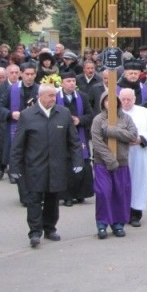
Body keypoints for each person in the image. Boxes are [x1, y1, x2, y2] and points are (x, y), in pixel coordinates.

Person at [9, 84, 83, 248]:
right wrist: (14, 167)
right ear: (40, 96)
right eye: (49, 95)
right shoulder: (27, 115)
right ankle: (35, 232)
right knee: (34, 199)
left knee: (53, 198)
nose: (53, 98)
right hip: (35, 166)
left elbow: (74, 141)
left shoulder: (63, 113)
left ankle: (50, 227)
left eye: (54, 95)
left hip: (57, 165)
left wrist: (78, 161)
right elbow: (18, 145)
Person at [91, 92, 139, 238]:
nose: (110, 104)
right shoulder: (98, 120)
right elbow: (97, 142)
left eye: (113, 101)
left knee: (121, 194)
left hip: (122, 163)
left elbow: (132, 136)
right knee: (104, 193)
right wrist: (110, 160)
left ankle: (118, 224)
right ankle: (102, 224)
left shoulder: (125, 118)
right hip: (103, 164)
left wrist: (113, 131)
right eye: (107, 101)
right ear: (102, 103)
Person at [120, 88, 147, 227]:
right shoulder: (115, 113)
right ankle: (122, 212)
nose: (125, 102)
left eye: (128, 99)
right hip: (122, 152)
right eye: (123, 99)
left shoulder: (144, 112)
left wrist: (140, 139)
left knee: (138, 181)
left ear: (134, 99)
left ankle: (136, 213)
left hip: (139, 152)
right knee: (122, 182)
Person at [57, 72, 95, 206]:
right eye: (68, 81)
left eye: (73, 81)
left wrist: (79, 120)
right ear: (62, 83)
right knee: (66, 165)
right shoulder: (56, 97)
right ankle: (67, 196)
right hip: (61, 135)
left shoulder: (82, 97)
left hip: (80, 134)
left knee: (83, 163)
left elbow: (90, 114)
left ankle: (81, 193)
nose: (72, 83)